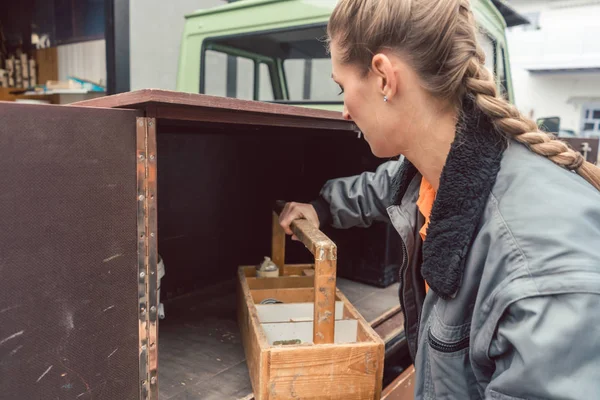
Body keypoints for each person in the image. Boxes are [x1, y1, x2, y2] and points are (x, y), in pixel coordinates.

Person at [278, 0, 600, 398]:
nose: (343, 110)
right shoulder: (442, 167)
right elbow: (387, 186)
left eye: (342, 87)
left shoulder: (538, 264)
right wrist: (322, 208)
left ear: (383, 77)